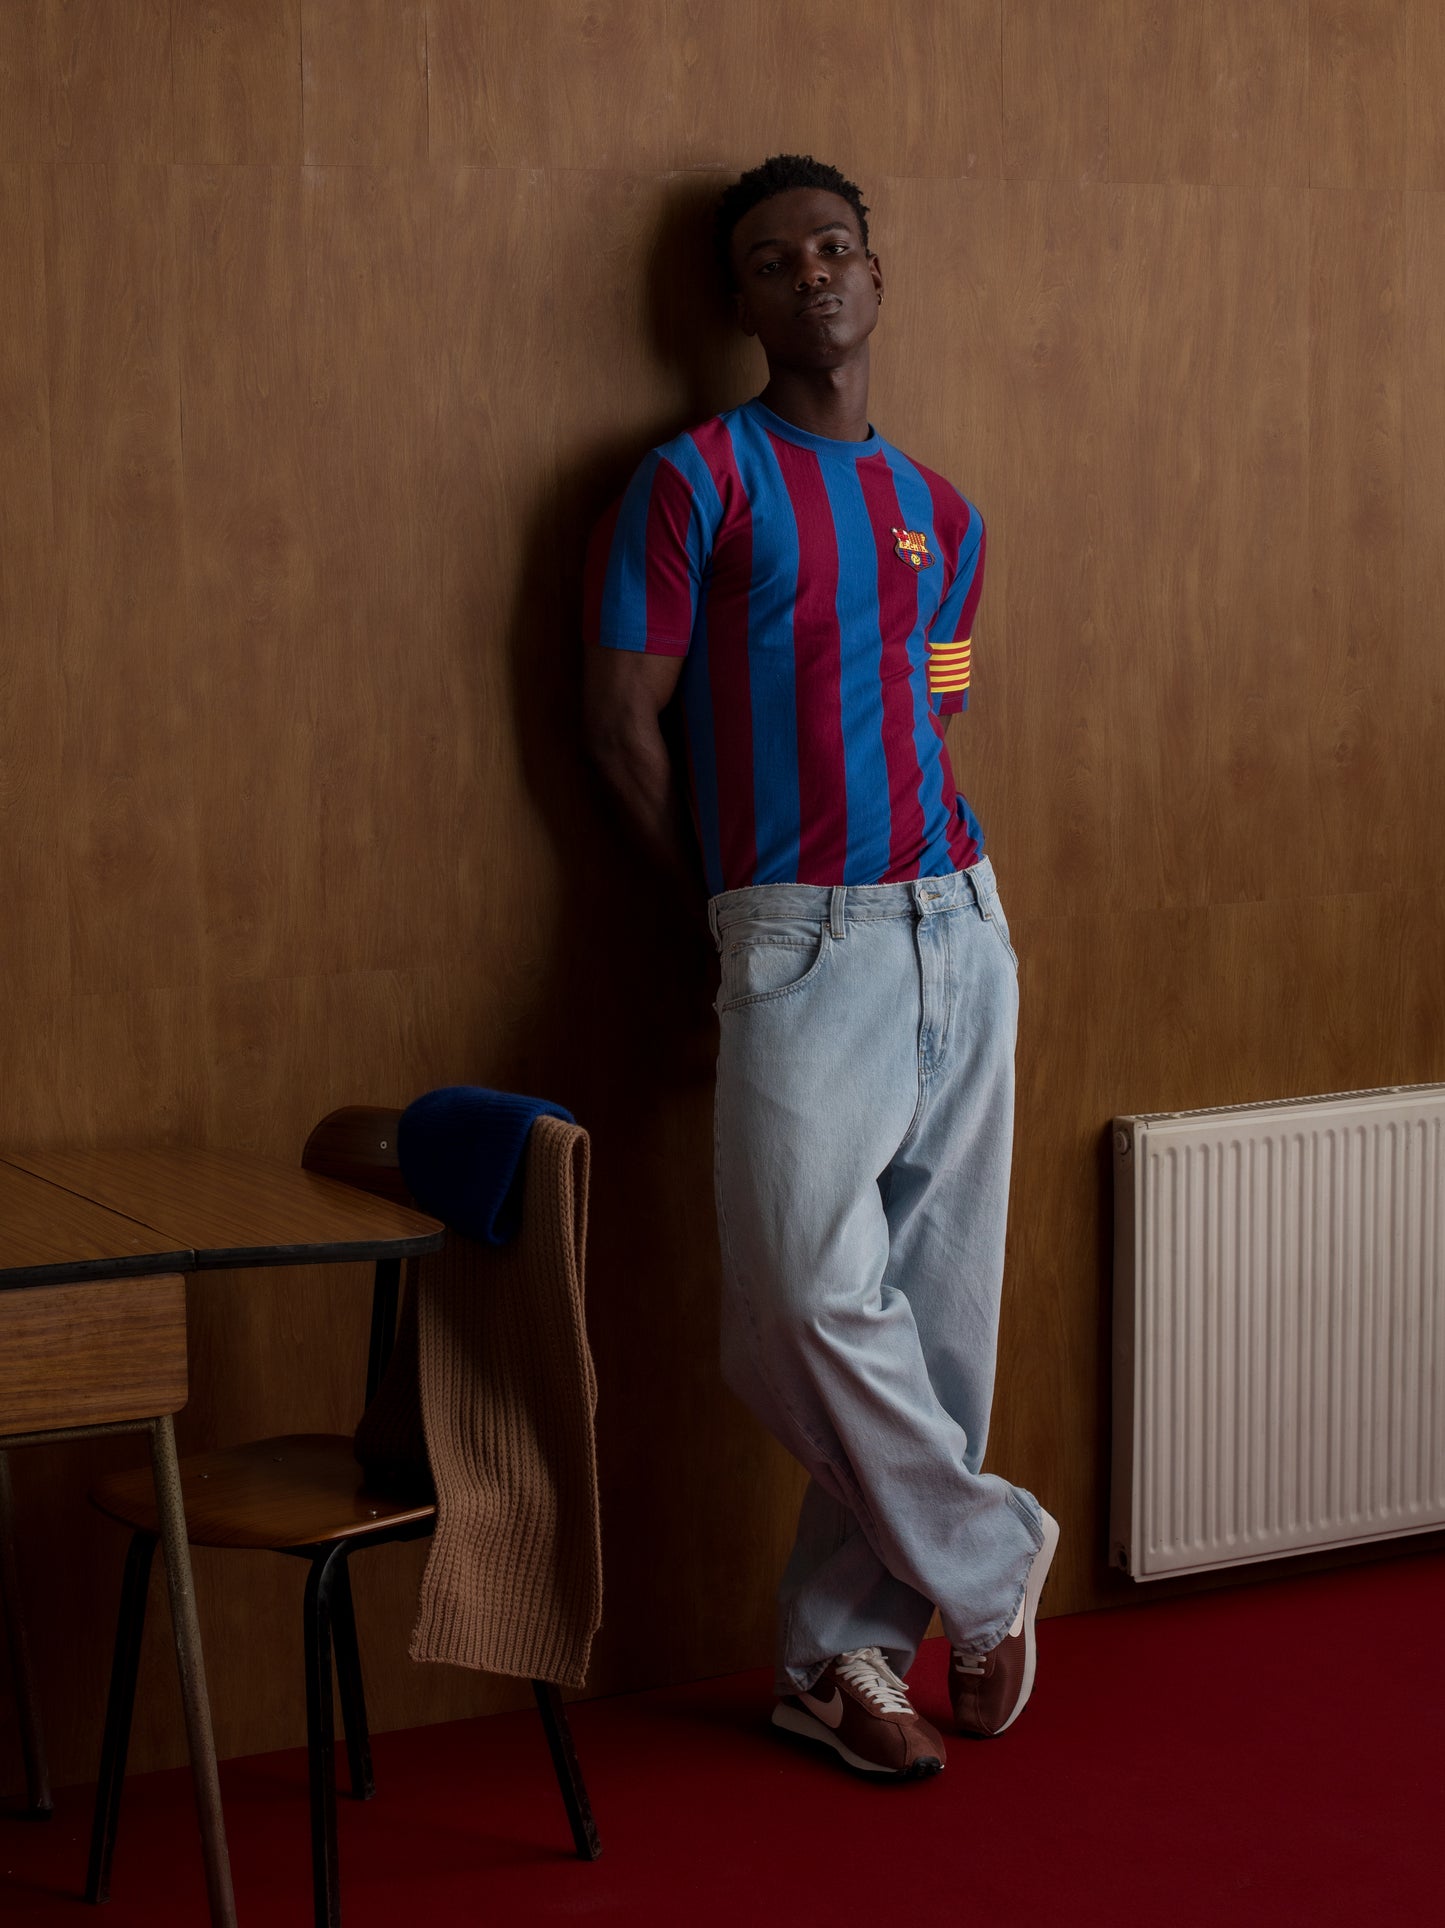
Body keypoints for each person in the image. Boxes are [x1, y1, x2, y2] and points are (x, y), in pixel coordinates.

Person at [583, 153, 1058, 1780]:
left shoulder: (945, 517)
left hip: (960, 925)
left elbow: (935, 709)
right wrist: (716, 907)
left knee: (932, 1325)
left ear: (876, 275)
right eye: (775, 261)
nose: (813, 277)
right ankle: (988, 1558)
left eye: (836, 249)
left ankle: (837, 1660)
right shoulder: (693, 482)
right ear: (739, 302)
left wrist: (942, 901)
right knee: (786, 1311)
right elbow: (619, 726)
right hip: (795, 934)